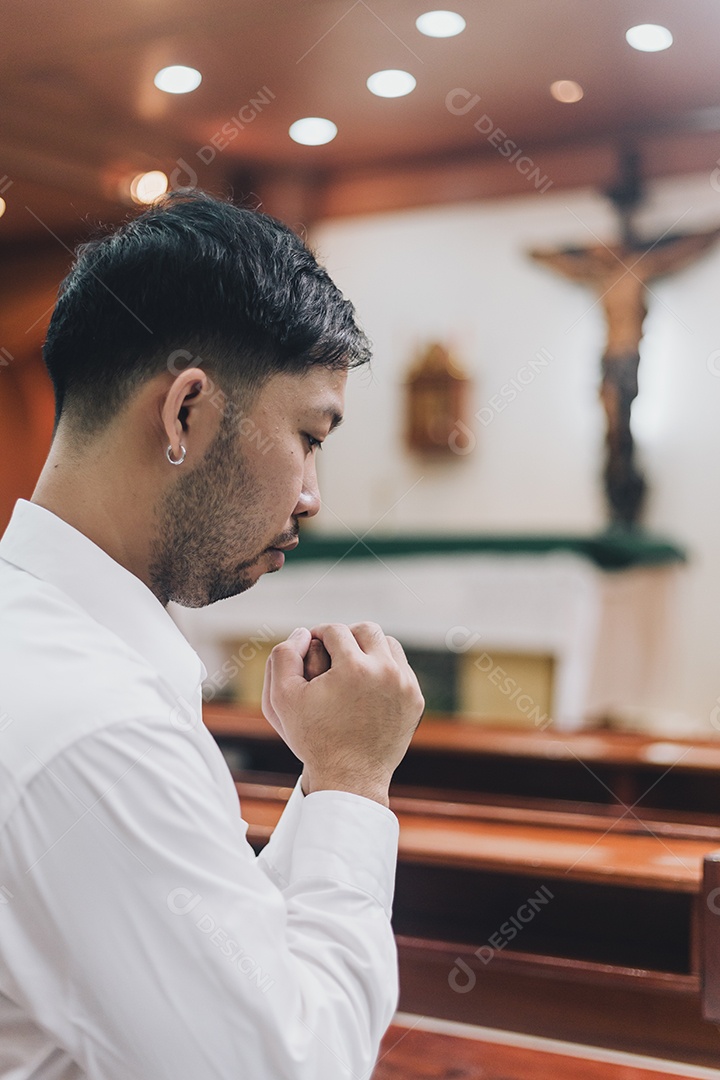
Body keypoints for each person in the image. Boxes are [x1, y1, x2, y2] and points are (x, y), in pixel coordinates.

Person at [0, 190, 424, 1080]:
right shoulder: (100, 727)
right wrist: (352, 779)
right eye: (310, 434)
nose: (312, 495)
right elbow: (285, 1067)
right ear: (185, 411)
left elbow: (205, 966)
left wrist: (322, 777)